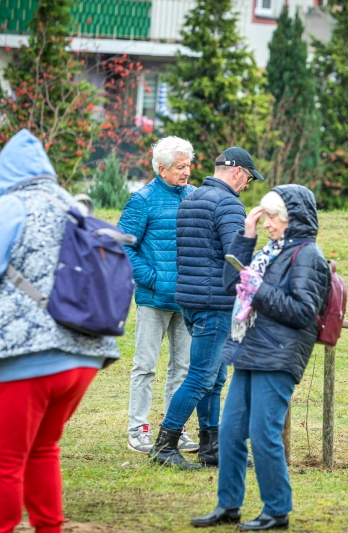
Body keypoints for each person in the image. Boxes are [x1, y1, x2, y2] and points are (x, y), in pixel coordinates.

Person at [0, 129, 121, 532]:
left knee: (3, 462)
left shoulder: (11, 205)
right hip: (84, 353)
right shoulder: (71, 204)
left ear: (3, 172)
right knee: (43, 449)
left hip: (25, 357)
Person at [191, 185, 330, 530]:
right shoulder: (270, 250)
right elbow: (230, 283)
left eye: (271, 218)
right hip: (251, 349)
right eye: (265, 217)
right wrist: (246, 236)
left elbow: (303, 312)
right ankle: (229, 506)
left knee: (263, 433)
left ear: (291, 219)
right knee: (230, 431)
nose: (267, 224)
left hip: (280, 354)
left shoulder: (308, 255)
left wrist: (257, 288)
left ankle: (277, 511)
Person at [150, 147, 264, 469]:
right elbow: (236, 256)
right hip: (214, 303)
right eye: (248, 180)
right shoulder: (228, 204)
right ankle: (165, 445)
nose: (245, 187)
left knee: (213, 379)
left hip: (190, 299)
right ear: (238, 172)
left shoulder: (191, 199)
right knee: (201, 377)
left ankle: (211, 447)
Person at [119, 136, 198, 454]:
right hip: (154, 299)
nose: (187, 172)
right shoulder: (142, 200)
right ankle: (138, 428)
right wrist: (152, 279)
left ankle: (174, 430)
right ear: (161, 169)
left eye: (189, 165)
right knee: (145, 366)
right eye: (180, 167)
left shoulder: (194, 197)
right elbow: (123, 245)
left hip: (187, 299)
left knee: (183, 368)